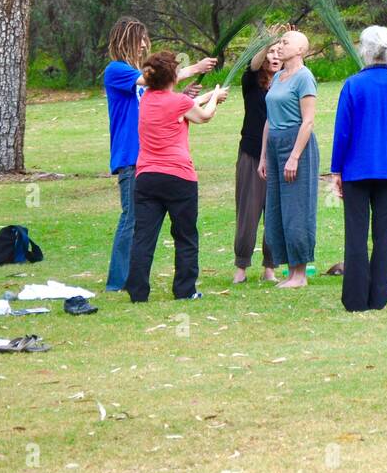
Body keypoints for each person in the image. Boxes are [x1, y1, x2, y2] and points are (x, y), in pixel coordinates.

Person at [103, 17, 213, 292]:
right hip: (132, 156)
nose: (143, 45)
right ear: (125, 40)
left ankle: (131, 282)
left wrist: (181, 96)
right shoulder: (117, 71)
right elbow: (152, 78)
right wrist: (194, 68)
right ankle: (119, 282)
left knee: (139, 223)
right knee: (132, 220)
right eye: (139, 39)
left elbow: (156, 98)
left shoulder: (135, 76)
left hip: (148, 159)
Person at [124, 51, 227, 302]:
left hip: (147, 177)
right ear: (173, 76)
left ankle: (138, 292)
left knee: (144, 236)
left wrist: (206, 97)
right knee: (185, 236)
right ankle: (185, 290)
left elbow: (184, 108)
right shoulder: (178, 102)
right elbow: (203, 116)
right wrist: (213, 97)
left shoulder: (147, 98)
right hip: (179, 177)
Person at [331, 26, 387, 312]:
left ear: (365, 50)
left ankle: (355, 298)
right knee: (383, 236)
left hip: (356, 168)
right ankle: (379, 296)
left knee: (355, 234)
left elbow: (343, 131)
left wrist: (336, 169)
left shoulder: (353, 85)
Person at [258, 31, 319, 289]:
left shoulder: (304, 77)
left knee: (296, 209)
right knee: (276, 210)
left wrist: (294, 157)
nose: (280, 46)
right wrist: (263, 156)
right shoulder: (278, 78)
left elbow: (308, 121)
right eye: (280, 42)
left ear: (301, 49)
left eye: (286, 42)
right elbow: (269, 120)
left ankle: (300, 275)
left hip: (297, 145)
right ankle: (289, 270)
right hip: (274, 145)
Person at [233, 39, 281, 284]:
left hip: (279, 156)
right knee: (248, 213)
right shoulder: (251, 81)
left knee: (274, 214)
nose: (274, 56)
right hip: (251, 154)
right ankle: (241, 267)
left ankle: (269, 268)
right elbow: (253, 65)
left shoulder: (288, 83)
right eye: (270, 52)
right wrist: (266, 43)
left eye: (278, 52)